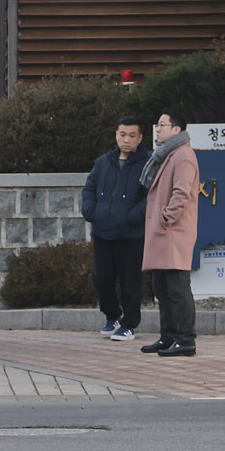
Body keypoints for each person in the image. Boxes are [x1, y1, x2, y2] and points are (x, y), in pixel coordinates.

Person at [81, 116, 150, 342]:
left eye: (132, 135)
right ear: (116, 135)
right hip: (102, 231)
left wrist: (134, 216)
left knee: (130, 280)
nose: (126, 140)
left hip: (131, 234)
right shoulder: (103, 162)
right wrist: (91, 212)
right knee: (101, 278)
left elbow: (150, 196)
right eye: (122, 134)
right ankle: (113, 316)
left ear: (140, 138)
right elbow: (89, 188)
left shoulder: (147, 163)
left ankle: (130, 323)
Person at [140, 110, 201, 358]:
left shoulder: (183, 156)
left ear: (177, 130)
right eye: (157, 124)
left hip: (173, 232)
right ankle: (169, 337)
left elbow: (182, 193)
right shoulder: (168, 155)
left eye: (162, 125)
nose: (158, 129)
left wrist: (166, 218)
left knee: (177, 289)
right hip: (164, 233)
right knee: (162, 288)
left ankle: (186, 340)